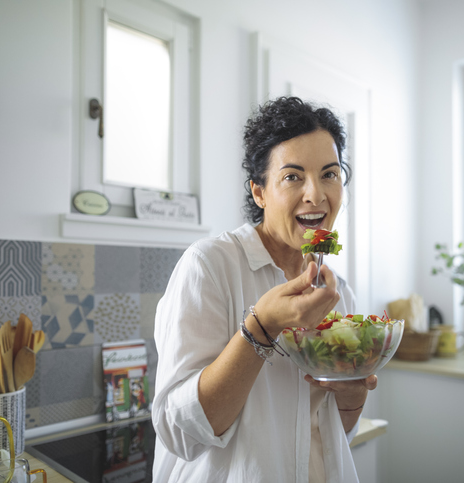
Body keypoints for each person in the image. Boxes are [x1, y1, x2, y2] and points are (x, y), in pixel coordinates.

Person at [152, 96, 377, 482]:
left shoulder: (338, 292)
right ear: (259, 192)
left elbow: (329, 433)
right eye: (292, 177)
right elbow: (179, 432)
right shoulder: (210, 265)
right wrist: (262, 328)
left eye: (329, 174)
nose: (316, 195)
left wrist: (353, 398)